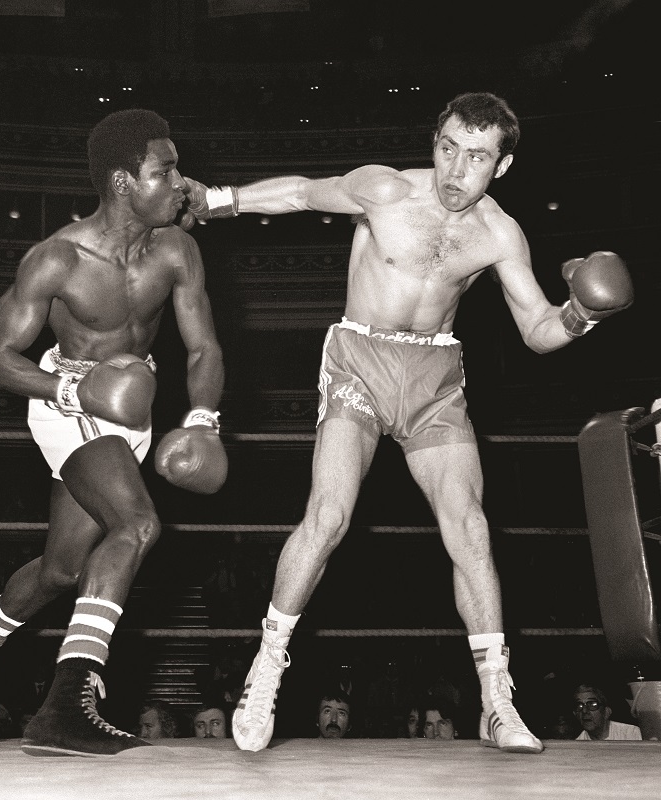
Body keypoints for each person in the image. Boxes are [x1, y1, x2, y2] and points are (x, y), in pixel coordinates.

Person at [184, 91, 634, 755]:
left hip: (435, 377)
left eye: (476, 156)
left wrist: (582, 315)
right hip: (359, 361)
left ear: (502, 166)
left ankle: (496, 701)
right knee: (329, 515)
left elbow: (537, 329)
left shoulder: (500, 234)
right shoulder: (386, 190)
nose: (457, 169)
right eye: (448, 148)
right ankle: (265, 671)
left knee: (470, 526)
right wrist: (219, 200)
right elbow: (304, 193)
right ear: (435, 144)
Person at [0, 108, 226, 758]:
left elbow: (203, 348)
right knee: (136, 526)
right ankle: (67, 702)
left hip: (133, 403)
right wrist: (70, 391)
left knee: (62, 570)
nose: (181, 182)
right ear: (122, 182)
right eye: (165, 170)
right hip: (69, 398)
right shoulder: (58, 259)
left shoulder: (176, 250)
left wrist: (203, 418)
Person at [572, 683, 642, 741]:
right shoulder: (577, 745)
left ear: (607, 712)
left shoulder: (630, 733)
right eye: (579, 706)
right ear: (575, 714)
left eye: (592, 705)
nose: (584, 711)